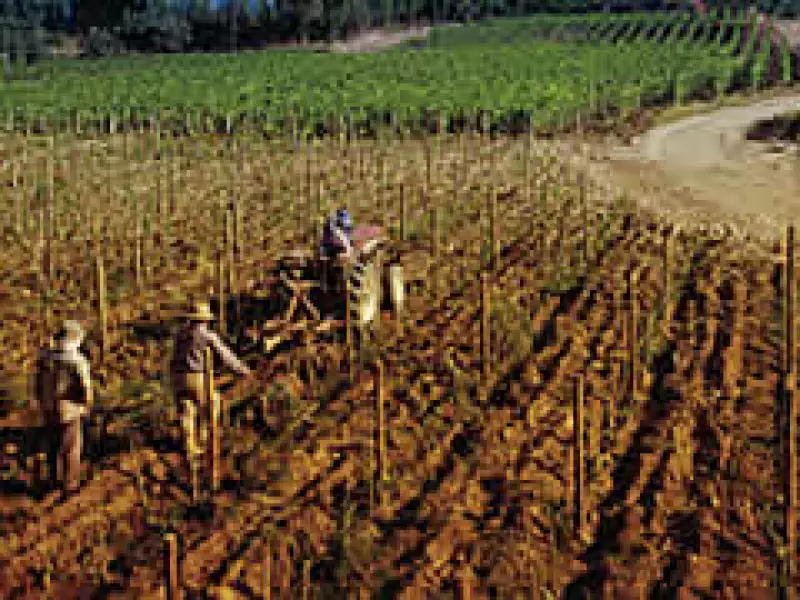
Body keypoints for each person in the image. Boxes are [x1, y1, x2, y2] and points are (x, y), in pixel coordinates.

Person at [169, 300, 251, 493]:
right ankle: (205, 440)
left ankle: (190, 448)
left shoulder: (180, 335)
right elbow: (226, 356)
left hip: (177, 378)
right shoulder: (207, 336)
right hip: (197, 377)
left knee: (186, 410)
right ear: (205, 320)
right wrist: (242, 370)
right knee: (211, 405)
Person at [35, 320, 92, 494]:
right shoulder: (77, 360)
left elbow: (37, 384)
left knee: (53, 446)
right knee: (71, 448)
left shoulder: (46, 357)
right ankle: (70, 485)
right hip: (70, 410)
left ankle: (53, 480)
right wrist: (88, 405)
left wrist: (42, 403)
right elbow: (85, 387)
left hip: (48, 408)